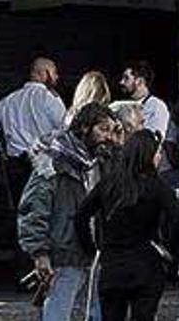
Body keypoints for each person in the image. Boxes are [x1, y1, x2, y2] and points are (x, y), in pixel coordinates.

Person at [19, 103, 120, 321]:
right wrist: (39, 252)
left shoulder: (100, 161)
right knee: (57, 314)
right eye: (103, 129)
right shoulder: (53, 162)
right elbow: (33, 208)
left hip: (96, 253)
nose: (109, 137)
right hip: (66, 253)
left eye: (112, 130)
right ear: (84, 128)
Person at [76, 130, 178, 321]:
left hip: (113, 262)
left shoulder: (110, 183)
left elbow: (81, 215)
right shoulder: (157, 186)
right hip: (146, 261)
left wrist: (91, 248)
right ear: (149, 156)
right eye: (157, 153)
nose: (160, 158)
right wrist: (169, 248)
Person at [0, 57, 67, 262]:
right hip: (45, 164)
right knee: (48, 214)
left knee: (23, 214)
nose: (56, 77)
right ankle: (45, 265)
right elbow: (66, 128)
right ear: (42, 73)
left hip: (15, 164)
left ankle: (23, 267)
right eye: (53, 72)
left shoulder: (10, 99)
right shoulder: (49, 99)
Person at [120, 61, 170, 138]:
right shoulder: (121, 105)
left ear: (140, 82)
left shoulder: (156, 107)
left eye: (126, 78)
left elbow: (153, 139)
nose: (121, 82)